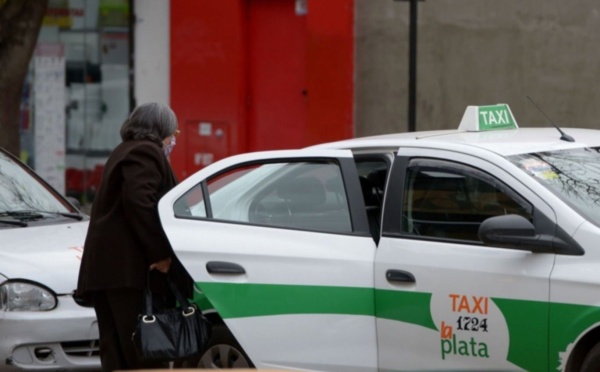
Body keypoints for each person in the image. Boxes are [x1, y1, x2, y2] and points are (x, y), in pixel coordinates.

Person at [76, 102, 194, 371]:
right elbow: (140, 202)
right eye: (172, 132)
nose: (174, 139)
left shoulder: (124, 150)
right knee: (142, 353)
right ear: (160, 128)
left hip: (110, 272)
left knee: (117, 353)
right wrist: (160, 254)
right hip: (129, 273)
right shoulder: (146, 152)